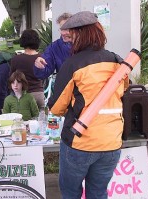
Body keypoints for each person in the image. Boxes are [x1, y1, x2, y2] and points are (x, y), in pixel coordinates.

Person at [48, 11, 127, 198]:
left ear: (79, 35)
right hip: (111, 142)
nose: (68, 39)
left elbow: (56, 108)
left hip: (80, 142)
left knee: (70, 193)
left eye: (71, 35)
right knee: (98, 193)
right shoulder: (118, 61)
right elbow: (121, 92)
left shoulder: (72, 65)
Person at [10, 29, 44, 110]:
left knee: (24, 121)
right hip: (39, 95)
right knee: (41, 120)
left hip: (23, 96)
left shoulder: (16, 59)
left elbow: (11, 78)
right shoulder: (42, 58)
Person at [34, 13, 72, 79]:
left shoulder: (87, 45)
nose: (62, 33)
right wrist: (39, 66)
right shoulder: (54, 47)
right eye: (61, 29)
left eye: (66, 29)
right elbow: (43, 73)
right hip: (65, 88)